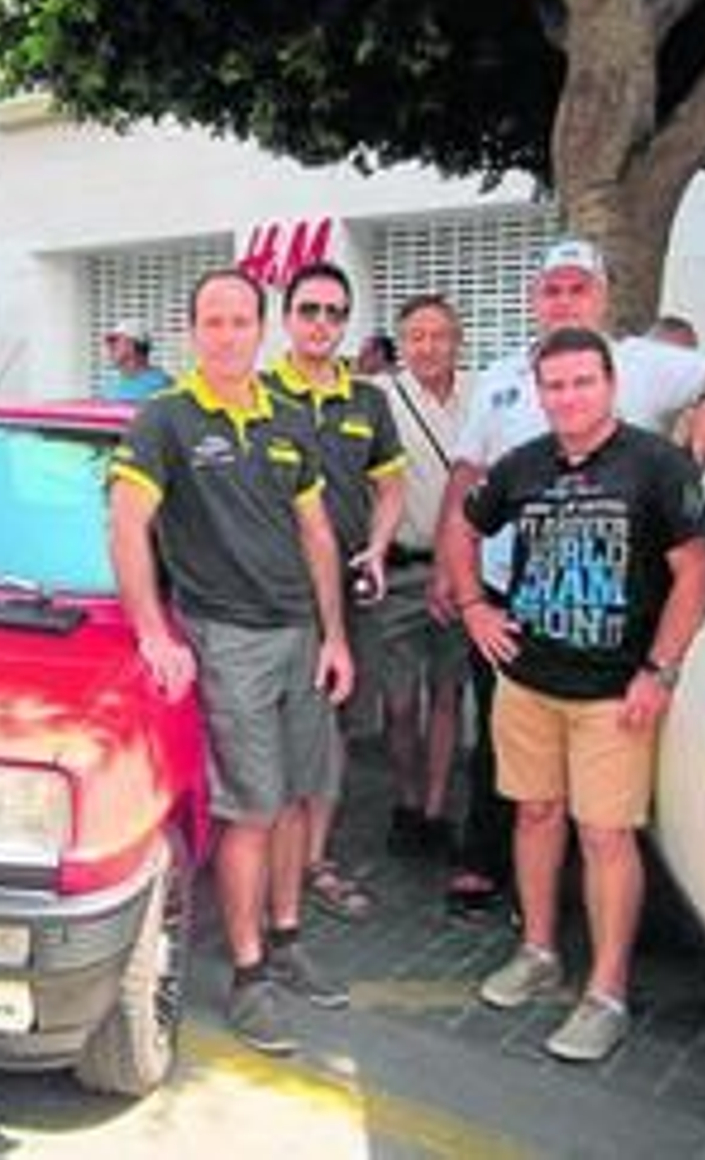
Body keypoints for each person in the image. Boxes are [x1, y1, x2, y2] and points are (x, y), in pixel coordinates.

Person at [436, 236, 705, 921]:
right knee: (504, 748)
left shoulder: (643, 363)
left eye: (578, 288)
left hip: (612, 607)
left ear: (603, 297)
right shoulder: (500, 376)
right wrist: (462, 589)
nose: (564, 301)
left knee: (601, 789)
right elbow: (466, 479)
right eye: (551, 289)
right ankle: (498, 874)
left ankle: (584, 902)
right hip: (509, 597)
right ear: (533, 298)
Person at [441, 326, 705, 1063]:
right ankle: (538, 951)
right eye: (554, 386)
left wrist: (660, 670)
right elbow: (464, 528)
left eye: (582, 382)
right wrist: (474, 607)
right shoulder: (523, 465)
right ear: (539, 392)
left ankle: (607, 993)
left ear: (610, 385)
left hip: (612, 693)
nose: (567, 398)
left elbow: (695, 574)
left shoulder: (656, 465)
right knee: (535, 815)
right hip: (529, 681)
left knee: (604, 836)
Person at [109, 267, 355, 1056]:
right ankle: (249, 977)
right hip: (227, 641)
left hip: (301, 639)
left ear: (261, 329)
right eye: (212, 322)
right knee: (251, 810)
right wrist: (153, 630)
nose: (226, 335)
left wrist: (335, 637)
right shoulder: (165, 419)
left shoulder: (288, 418)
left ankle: (286, 938)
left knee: (297, 799)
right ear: (193, 332)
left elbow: (317, 533)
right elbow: (127, 523)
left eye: (240, 321)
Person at [263, 261, 406, 920]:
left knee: (333, 728)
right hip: (271, 593)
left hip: (346, 592)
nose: (321, 323)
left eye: (334, 313)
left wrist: (377, 547)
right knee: (267, 724)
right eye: (309, 310)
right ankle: (266, 857)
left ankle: (314, 859)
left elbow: (392, 488)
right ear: (287, 318)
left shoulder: (369, 401)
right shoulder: (257, 394)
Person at [371, 294, 473, 859]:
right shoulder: (379, 399)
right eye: (416, 336)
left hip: (461, 572)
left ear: (457, 340)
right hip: (401, 570)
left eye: (439, 335)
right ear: (402, 344)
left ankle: (434, 809)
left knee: (448, 695)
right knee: (400, 702)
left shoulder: (482, 395)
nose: (428, 347)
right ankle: (406, 801)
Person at [102, 319, 172, 402]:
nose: (110, 346)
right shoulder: (110, 387)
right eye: (109, 342)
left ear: (133, 344)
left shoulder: (162, 385)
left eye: (114, 340)